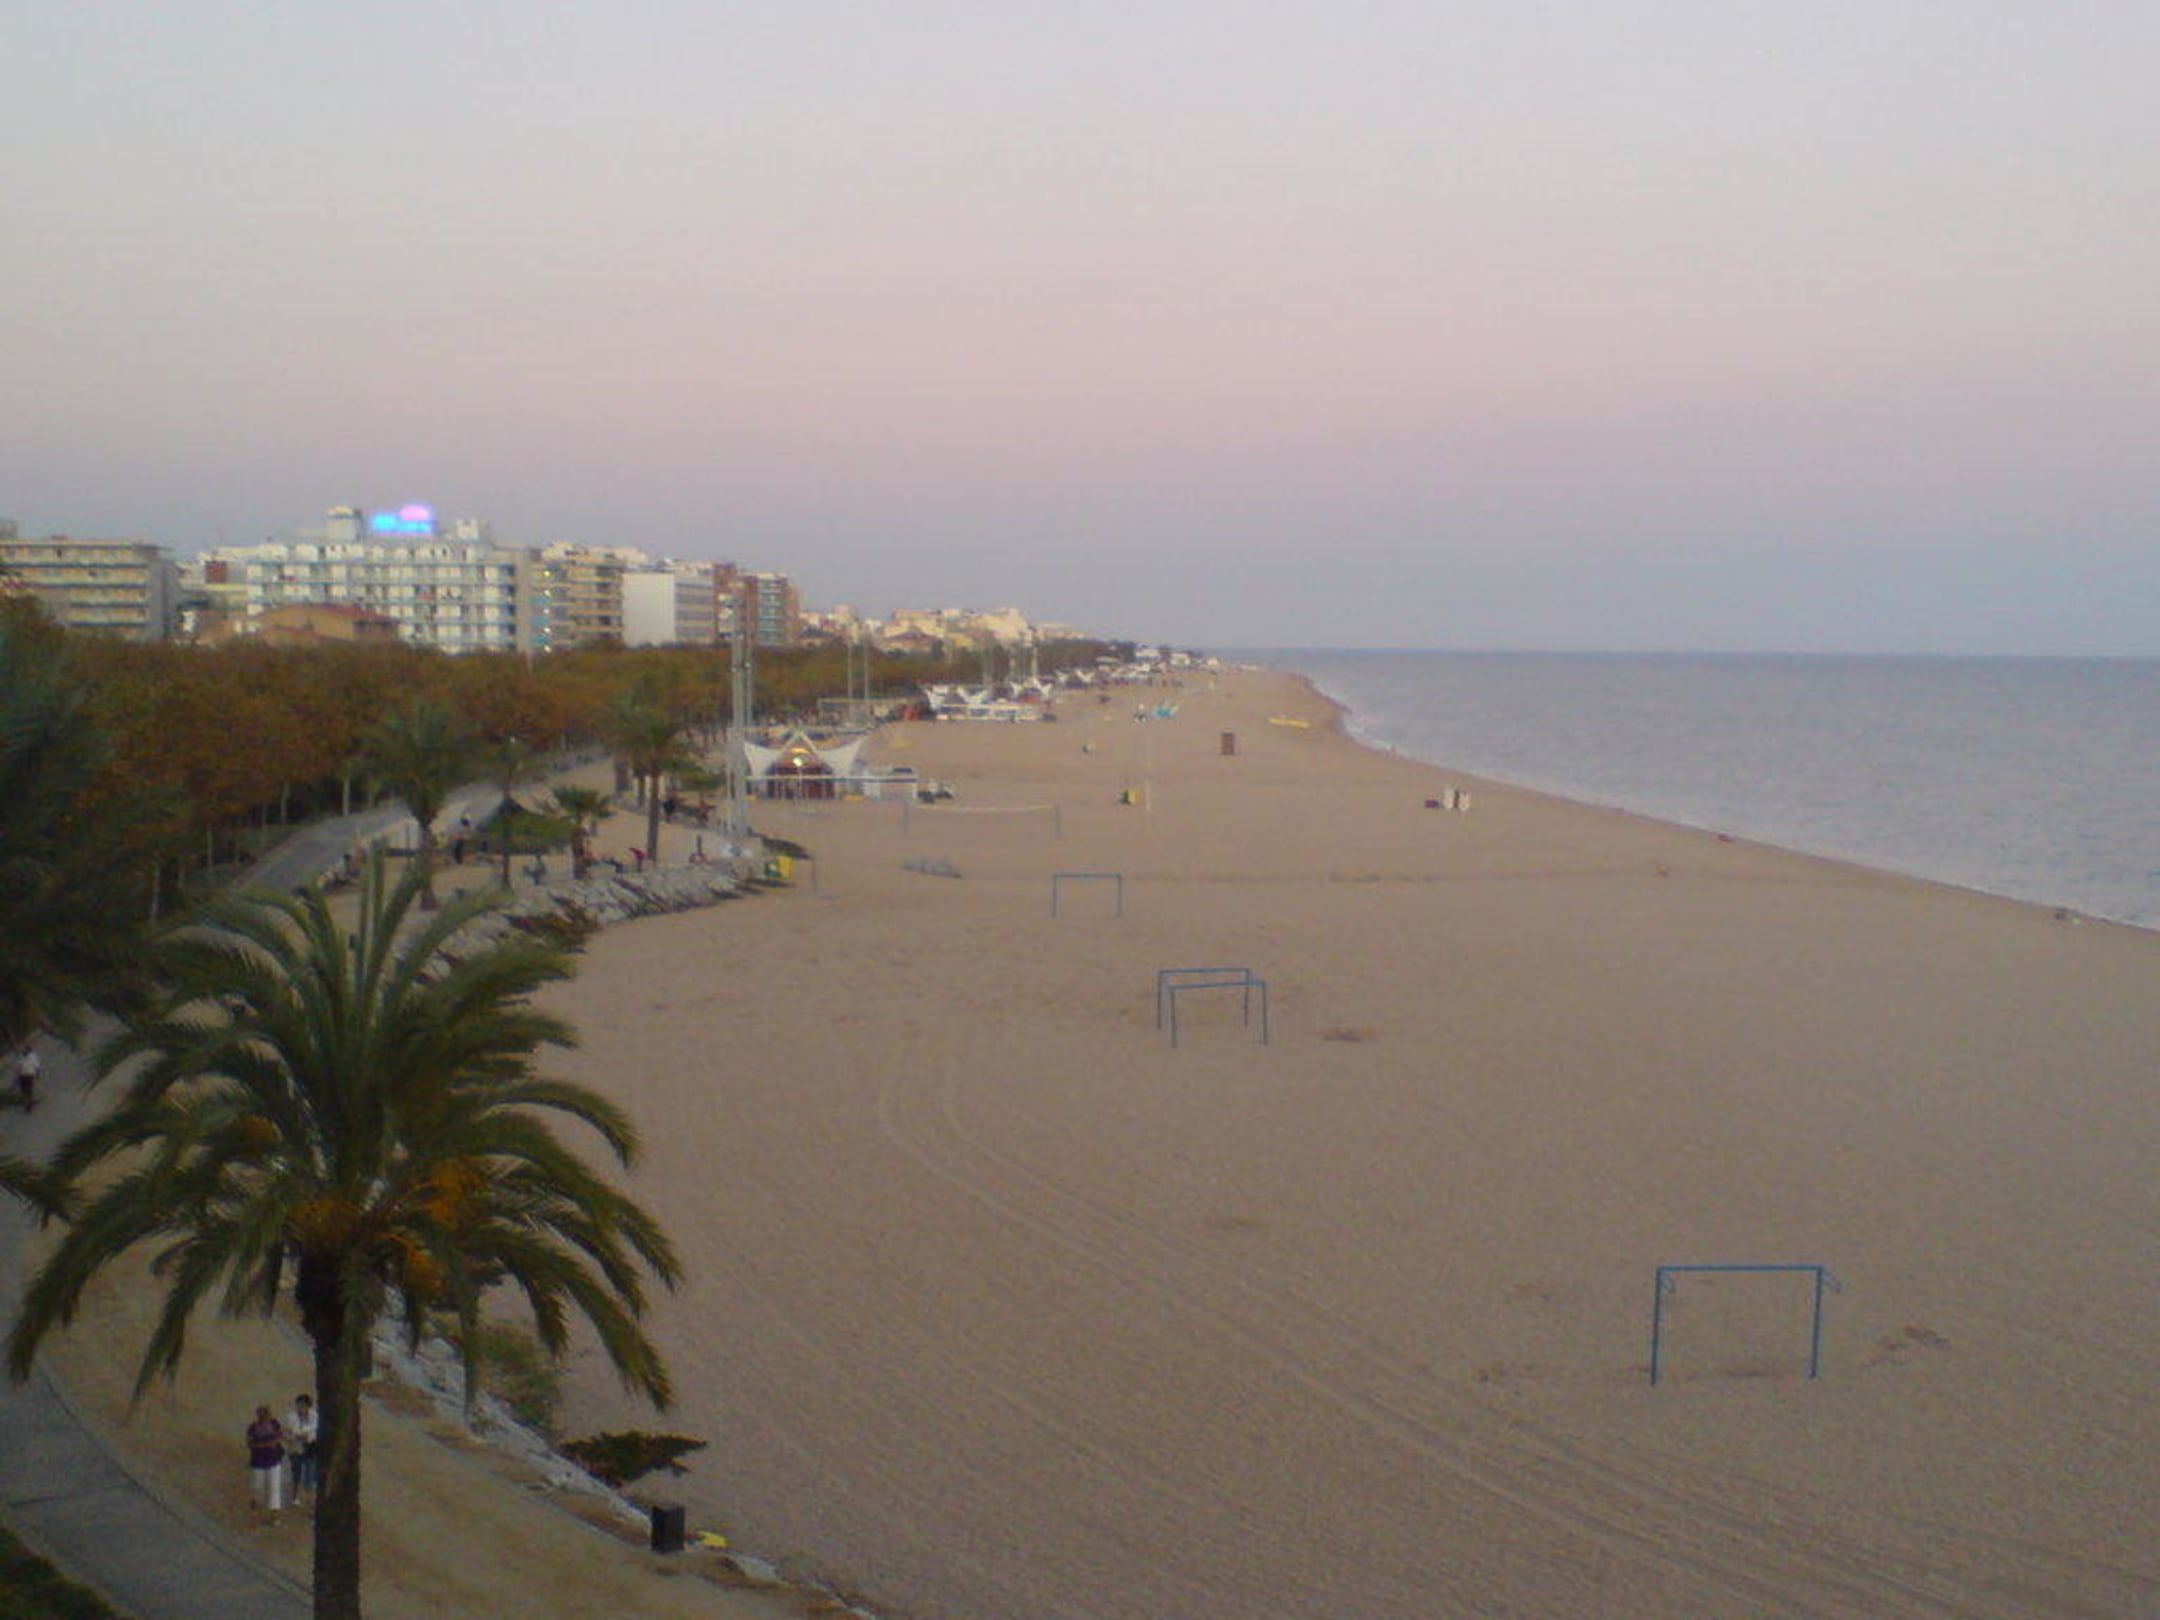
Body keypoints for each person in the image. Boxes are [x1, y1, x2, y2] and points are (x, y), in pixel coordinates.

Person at [246, 1405, 287, 1516]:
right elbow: (249, 1444)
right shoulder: (253, 1427)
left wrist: (274, 1442)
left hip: (273, 1460)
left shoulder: (274, 1424)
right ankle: (255, 1503)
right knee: (257, 1486)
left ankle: (274, 1513)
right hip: (258, 1462)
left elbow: (280, 1436)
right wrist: (267, 1444)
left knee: (274, 1488)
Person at [285, 1393, 320, 1504]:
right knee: (297, 1474)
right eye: (299, 1404)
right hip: (296, 1449)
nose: (301, 1407)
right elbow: (292, 1431)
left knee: (310, 1474)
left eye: (304, 1405)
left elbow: (315, 1429)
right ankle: (295, 1496)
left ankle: (310, 1498)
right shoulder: (291, 1416)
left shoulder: (314, 1415)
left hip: (310, 1448)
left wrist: (305, 1434)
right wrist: (300, 1434)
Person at [13, 1045, 39, 1113]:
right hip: (22, 1075)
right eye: (23, 1050)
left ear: (28, 1050)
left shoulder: (33, 1057)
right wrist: (17, 1075)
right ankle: (27, 1103)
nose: (23, 1051)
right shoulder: (21, 1057)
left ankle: (28, 1104)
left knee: (28, 1089)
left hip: (29, 1075)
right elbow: (18, 1066)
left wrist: (37, 1074)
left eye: (25, 1049)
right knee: (23, 1090)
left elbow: (36, 1066)